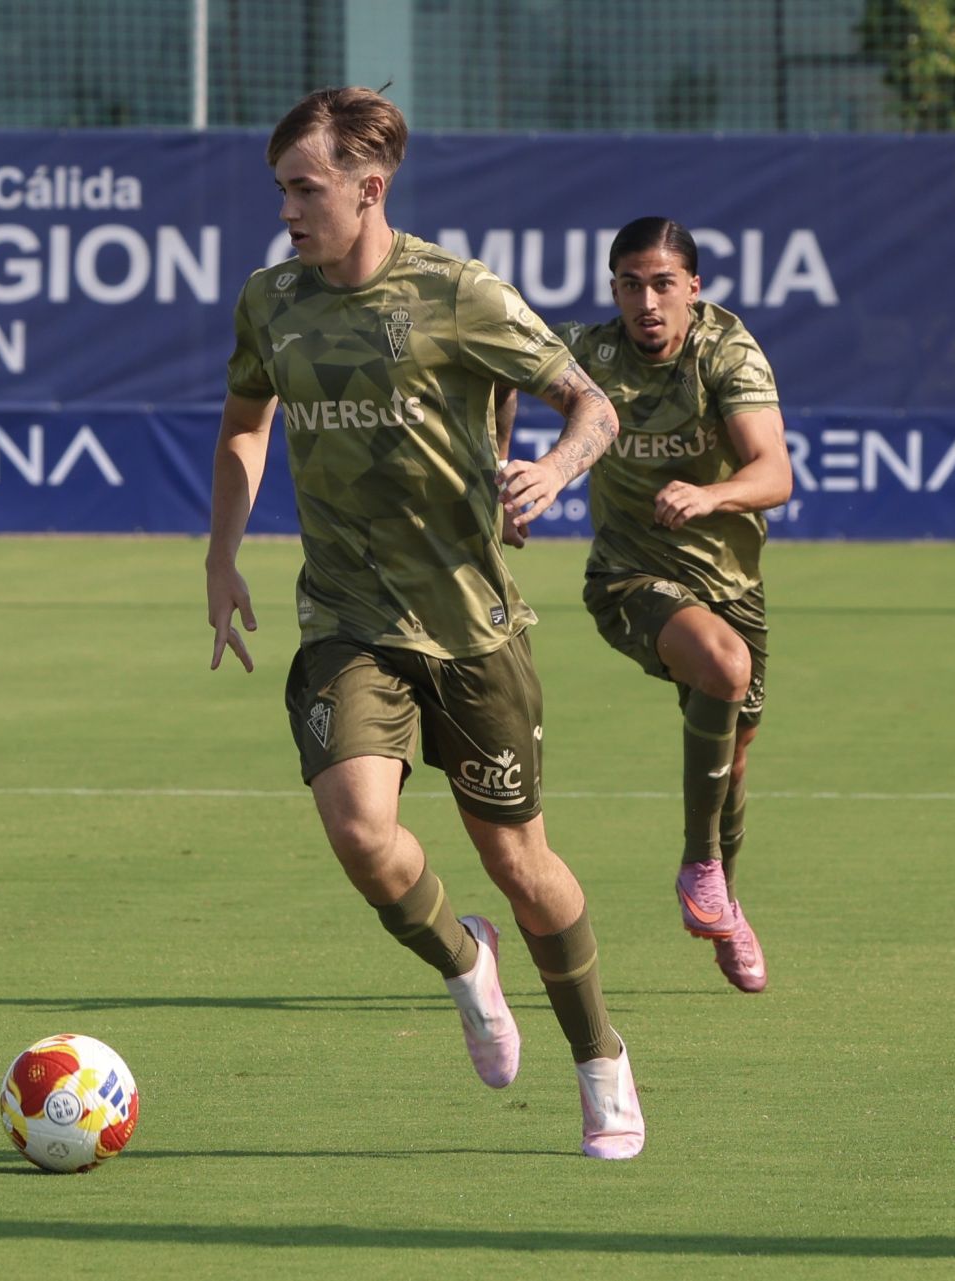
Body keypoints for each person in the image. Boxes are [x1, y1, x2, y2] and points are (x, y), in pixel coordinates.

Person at [205, 87, 643, 1159]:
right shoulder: (271, 302)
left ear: (370, 187)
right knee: (360, 830)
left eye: (306, 190)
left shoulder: (456, 291)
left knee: (520, 863)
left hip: (473, 626)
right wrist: (220, 551)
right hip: (347, 617)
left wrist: (552, 470)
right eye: (282, 191)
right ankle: (462, 963)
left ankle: (601, 1062)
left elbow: (594, 405)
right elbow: (245, 422)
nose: (290, 211)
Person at [548, 216, 791, 994]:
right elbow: (495, 373)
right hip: (627, 576)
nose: (646, 301)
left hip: (730, 580)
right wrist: (506, 472)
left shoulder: (725, 350)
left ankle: (723, 897)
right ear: (613, 288)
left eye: (662, 283)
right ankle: (700, 866)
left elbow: (774, 473)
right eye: (630, 284)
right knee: (724, 665)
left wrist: (712, 493)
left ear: (693, 286)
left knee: (735, 753)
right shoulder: (590, 355)